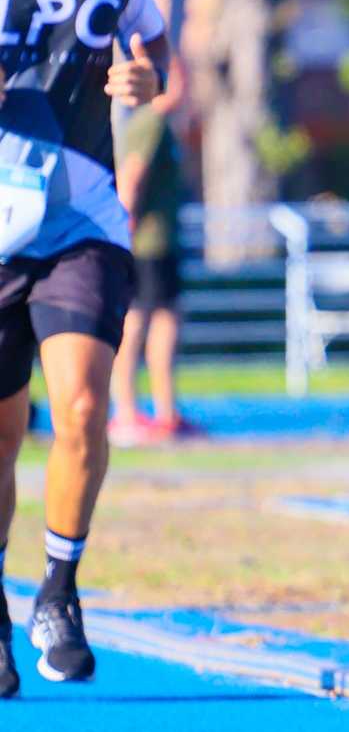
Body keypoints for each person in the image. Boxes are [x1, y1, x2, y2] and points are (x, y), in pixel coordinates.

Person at [0, 0, 167, 689]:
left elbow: (154, 52)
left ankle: (59, 583)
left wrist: (144, 81)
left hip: (82, 216)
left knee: (82, 411)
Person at [111, 53, 193, 442]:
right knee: (136, 325)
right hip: (146, 243)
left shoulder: (164, 125)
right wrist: (123, 230)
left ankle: (165, 412)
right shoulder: (151, 121)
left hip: (162, 242)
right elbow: (131, 176)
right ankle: (126, 412)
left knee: (165, 323)